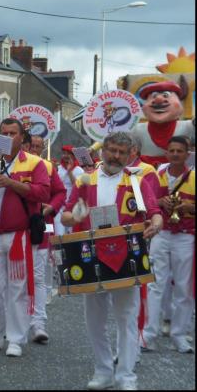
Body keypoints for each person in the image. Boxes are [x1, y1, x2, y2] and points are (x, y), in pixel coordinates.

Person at [61, 132, 163, 390]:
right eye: (112, 150)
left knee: (126, 318)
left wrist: (156, 224)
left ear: (130, 155)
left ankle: (126, 377)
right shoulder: (86, 179)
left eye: (121, 152)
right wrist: (74, 217)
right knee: (94, 319)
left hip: (125, 255)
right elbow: (65, 216)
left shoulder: (136, 181)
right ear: (103, 150)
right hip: (90, 254)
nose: (115, 156)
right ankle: (103, 371)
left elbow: (153, 212)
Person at [0, 118, 51, 358]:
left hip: (20, 234)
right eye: (3, 133)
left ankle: (16, 337)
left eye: (12, 133)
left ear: (22, 138)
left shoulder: (35, 163)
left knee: (18, 289)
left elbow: (43, 192)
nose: (8, 137)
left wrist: (11, 183)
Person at [142, 136, 195, 354]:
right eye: (171, 150)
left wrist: (191, 207)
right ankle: (149, 334)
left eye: (179, 151)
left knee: (183, 287)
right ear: (166, 153)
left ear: (187, 154)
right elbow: (144, 203)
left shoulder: (194, 177)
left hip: (185, 235)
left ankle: (179, 335)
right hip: (161, 234)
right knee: (155, 284)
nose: (175, 154)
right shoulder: (156, 176)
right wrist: (158, 202)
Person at [27, 135, 67, 344]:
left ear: (42, 149)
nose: (33, 149)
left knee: (39, 277)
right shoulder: (15, 165)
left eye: (37, 147)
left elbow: (60, 192)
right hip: (14, 229)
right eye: (30, 146)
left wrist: (51, 207)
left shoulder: (48, 167)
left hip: (41, 227)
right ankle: (17, 322)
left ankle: (38, 323)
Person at [54, 145, 84, 236]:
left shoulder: (79, 170)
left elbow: (77, 187)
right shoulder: (58, 169)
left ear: (73, 156)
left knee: (71, 234)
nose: (66, 156)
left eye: (68, 154)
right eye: (64, 153)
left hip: (72, 207)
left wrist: (70, 171)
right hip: (59, 206)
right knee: (59, 234)